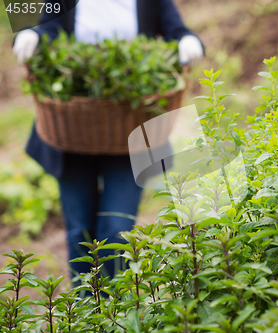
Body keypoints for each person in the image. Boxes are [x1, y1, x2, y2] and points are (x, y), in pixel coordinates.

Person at [12, 0, 204, 282]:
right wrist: (33, 35)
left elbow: (177, 30)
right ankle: (83, 312)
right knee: (80, 232)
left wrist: (189, 42)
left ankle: (113, 312)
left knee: (116, 229)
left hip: (133, 129)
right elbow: (49, 28)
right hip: (73, 132)